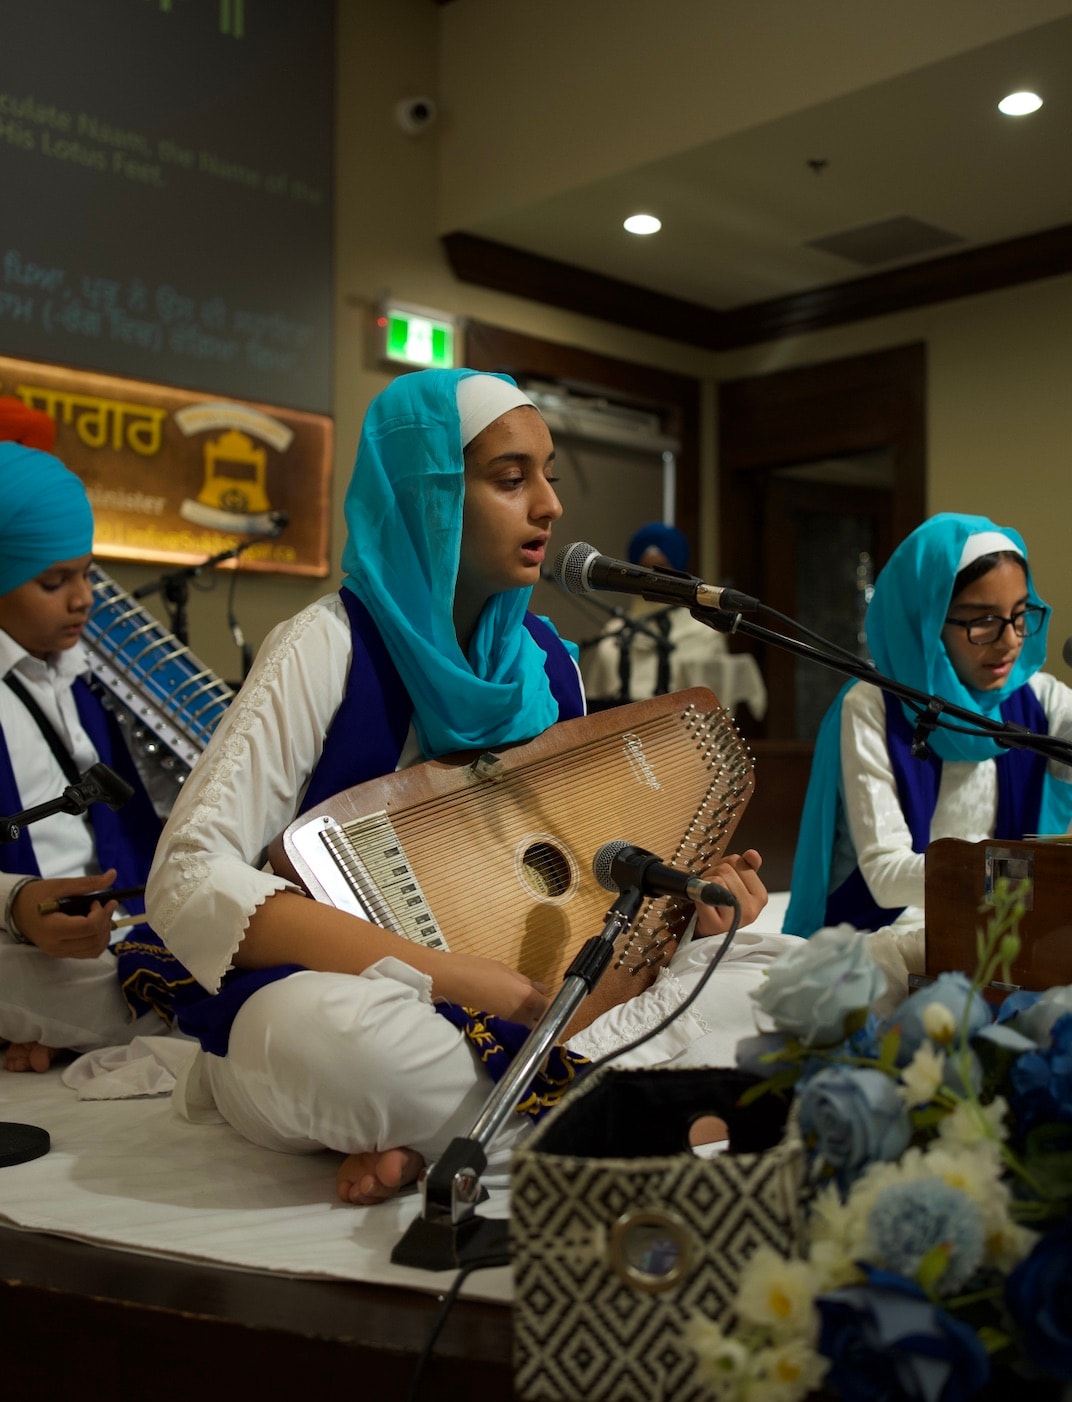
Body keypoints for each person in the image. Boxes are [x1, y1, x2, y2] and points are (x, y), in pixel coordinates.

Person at [146, 369, 797, 1207]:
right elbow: (189, 875)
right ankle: (614, 1118)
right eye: (509, 478)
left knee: (765, 964)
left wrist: (684, 914)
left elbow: (578, 885)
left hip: (537, 1001)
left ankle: (464, 1140)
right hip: (370, 999)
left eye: (549, 474)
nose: (550, 507)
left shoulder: (550, 665)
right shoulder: (324, 647)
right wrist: (451, 978)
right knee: (336, 1047)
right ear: (431, 497)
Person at [783, 512, 1072, 943]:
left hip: (1003, 928)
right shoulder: (873, 705)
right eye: (982, 620)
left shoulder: (1041, 700)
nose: (1011, 640)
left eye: (1020, 614)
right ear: (927, 622)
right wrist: (1030, 876)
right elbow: (885, 875)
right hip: (885, 932)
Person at [0, 435, 174, 1073]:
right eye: (54, 581)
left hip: (114, 931)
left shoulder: (84, 677)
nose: (83, 599)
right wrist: (19, 907)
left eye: (85, 573)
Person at [580, 521, 768, 720]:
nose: (650, 578)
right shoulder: (614, 634)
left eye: (660, 568)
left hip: (683, 740)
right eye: (642, 569)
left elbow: (715, 704)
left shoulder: (704, 631)